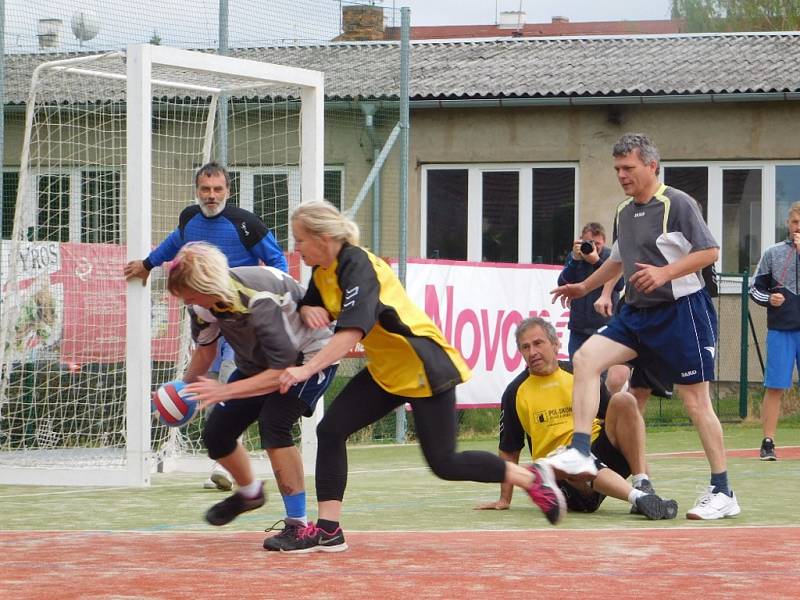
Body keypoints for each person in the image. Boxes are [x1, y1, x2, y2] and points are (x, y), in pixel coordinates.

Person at [265, 200, 566, 553]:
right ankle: (329, 529)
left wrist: (305, 369)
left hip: (423, 364)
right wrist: (307, 306)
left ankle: (532, 477)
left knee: (445, 463)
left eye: (300, 239)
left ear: (323, 237)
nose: (296, 248)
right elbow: (312, 301)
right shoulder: (322, 272)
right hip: (387, 372)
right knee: (331, 430)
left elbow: (351, 333)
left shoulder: (357, 265)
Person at [549, 133, 740, 520]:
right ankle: (581, 451)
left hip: (681, 314)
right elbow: (618, 259)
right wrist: (584, 286)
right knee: (586, 359)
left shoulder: (678, 203)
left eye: (629, 168)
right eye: (617, 168)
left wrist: (666, 273)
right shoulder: (623, 211)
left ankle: (723, 491)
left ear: (651, 166)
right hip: (636, 315)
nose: (621, 175)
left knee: (695, 403)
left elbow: (710, 251)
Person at [124, 161, 289, 490]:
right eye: (205, 189)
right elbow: (175, 244)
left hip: (244, 320)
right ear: (197, 190)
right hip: (207, 317)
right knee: (206, 377)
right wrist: (147, 264)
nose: (211, 195)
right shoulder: (189, 218)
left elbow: (278, 262)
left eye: (217, 189)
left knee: (231, 377)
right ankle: (216, 445)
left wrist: (282, 302)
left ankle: (225, 465)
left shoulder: (246, 225)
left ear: (228, 191)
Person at [165, 242, 336, 545]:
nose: (186, 301)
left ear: (207, 285)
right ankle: (250, 493)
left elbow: (281, 371)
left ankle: (299, 525)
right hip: (259, 362)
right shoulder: (201, 304)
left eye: (189, 294)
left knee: (274, 423)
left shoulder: (257, 299)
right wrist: (182, 392)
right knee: (218, 433)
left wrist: (225, 389)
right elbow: (205, 354)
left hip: (307, 359)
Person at [476, 317, 677, 520]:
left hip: (600, 454)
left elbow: (625, 425)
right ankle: (638, 499)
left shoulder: (581, 374)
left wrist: (642, 472)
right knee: (575, 459)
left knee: (624, 400)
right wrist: (504, 499)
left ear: (556, 345)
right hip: (566, 480)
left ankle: (643, 486)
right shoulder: (514, 392)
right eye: (525, 347)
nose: (532, 352)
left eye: (538, 343)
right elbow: (509, 451)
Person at [748, 201, 800, 461]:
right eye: (795, 222)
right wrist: (769, 299)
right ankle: (768, 442)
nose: (798, 228)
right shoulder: (773, 253)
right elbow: (754, 289)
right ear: (788, 224)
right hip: (781, 330)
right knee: (775, 386)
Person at [559, 222, 629, 396]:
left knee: (603, 379)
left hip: (604, 326)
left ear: (604, 242)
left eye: (597, 244)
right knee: (578, 373)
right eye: (589, 243)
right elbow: (563, 283)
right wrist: (575, 261)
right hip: (578, 326)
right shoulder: (576, 256)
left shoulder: (610, 258)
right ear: (581, 241)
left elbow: (619, 284)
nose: (592, 247)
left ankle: (604, 416)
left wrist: (597, 262)